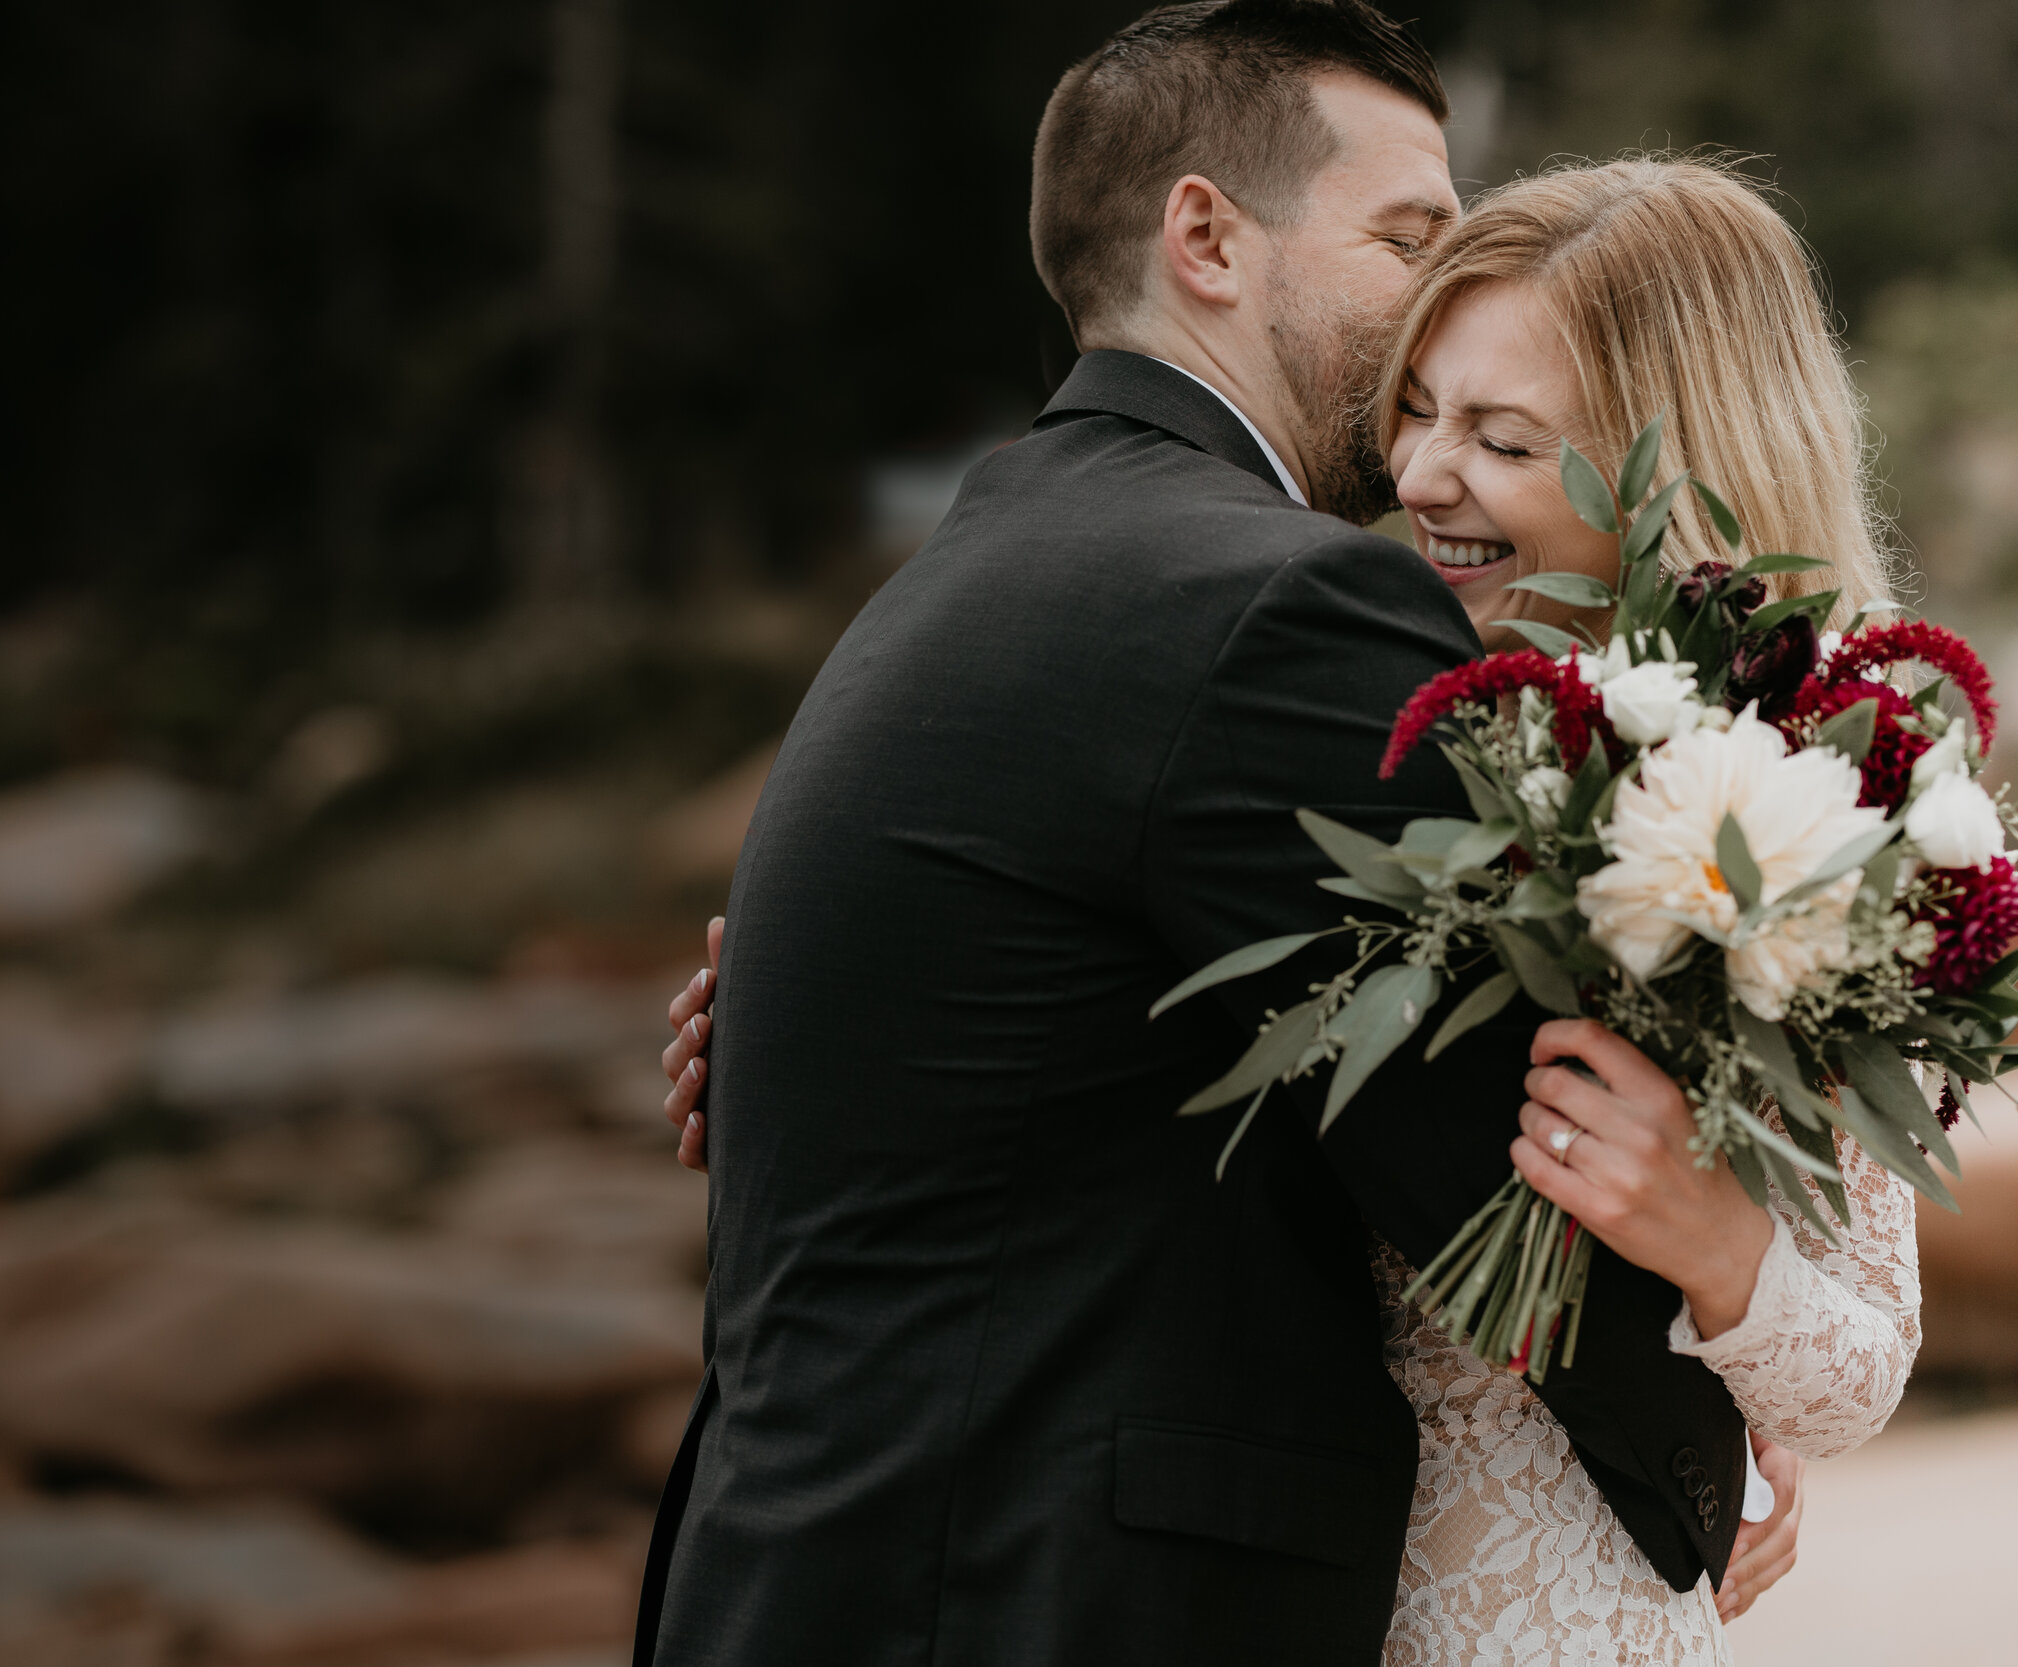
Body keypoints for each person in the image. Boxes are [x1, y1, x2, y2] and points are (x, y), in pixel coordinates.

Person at [640, 5, 1913, 1662]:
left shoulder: (1000, 552)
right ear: (1206, 238)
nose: (1425, 450)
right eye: (1403, 239)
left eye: (1506, 435)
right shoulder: (1272, 609)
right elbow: (1467, 1146)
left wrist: (834, 1034)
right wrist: (1712, 1454)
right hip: (1063, 1587)